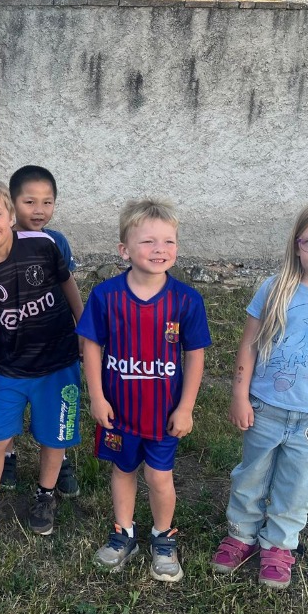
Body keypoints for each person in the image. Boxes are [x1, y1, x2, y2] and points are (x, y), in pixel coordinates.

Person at [211, 197, 308, 589]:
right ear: (297, 245)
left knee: (297, 486)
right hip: (265, 407)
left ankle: (279, 545)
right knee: (251, 475)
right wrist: (239, 395)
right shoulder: (275, 288)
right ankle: (241, 535)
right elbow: (248, 344)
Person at [78, 199, 210, 583]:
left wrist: (185, 407)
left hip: (163, 413)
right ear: (124, 250)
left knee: (158, 476)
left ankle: (162, 537)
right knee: (123, 470)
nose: (159, 249)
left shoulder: (186, 300)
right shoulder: (106, 296)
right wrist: (97, 397)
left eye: (168, 241)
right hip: (119, 411)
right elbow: (91, 346)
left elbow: (195, 355)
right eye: (148, 241)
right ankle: (123, 533)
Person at [0, 177, 83, 542]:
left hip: (59, 363)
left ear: (11, 215)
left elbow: (67, 283)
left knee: (53, 438)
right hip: (12, 371)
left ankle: (45, 495)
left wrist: (84, 324)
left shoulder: (42, 245)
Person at [2, 165, 83, 495]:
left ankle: (59, 459)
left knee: (56, 406)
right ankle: (7, 456)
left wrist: (83, 327)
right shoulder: (1, 241)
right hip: (13, 345)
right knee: (10, 406)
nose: (39, 210)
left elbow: (68, 286)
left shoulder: (57, 242)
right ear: (12, 203)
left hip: (55, 344)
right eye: (30, 202)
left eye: (47, 202)